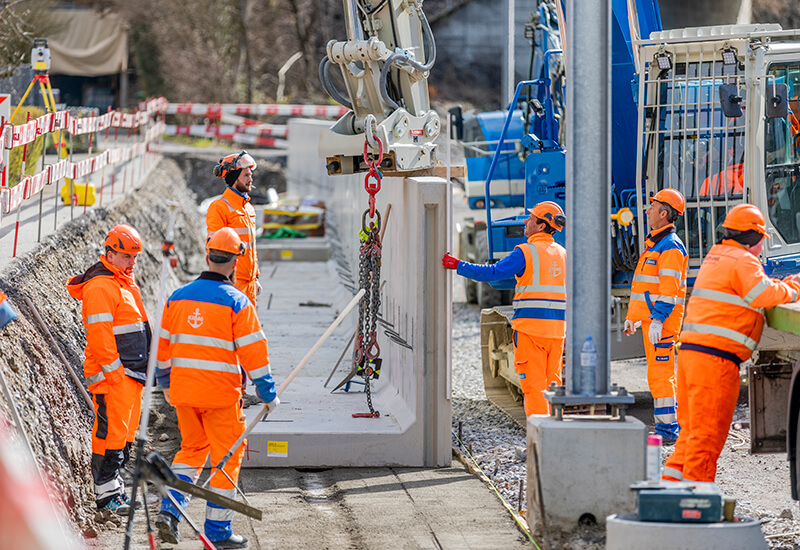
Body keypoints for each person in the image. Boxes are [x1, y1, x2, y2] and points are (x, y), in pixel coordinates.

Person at [154, 227, 279, 549]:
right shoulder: (237, 302)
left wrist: (165, 382)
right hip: (220, 396)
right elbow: (254, 352)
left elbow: (162, 347)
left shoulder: (177, 298)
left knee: (191, 451)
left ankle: (169, 510)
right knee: (227, 457)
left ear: (208, 255)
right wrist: (267, 392)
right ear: (236, 262)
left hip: (184, 393)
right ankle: (218, 530)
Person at [663, 204, 800, 482]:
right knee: (706, 438)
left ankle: (670, 495)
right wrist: (794, 286)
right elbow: (763, 294)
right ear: (754, 238)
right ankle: (697, 503)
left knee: (690, 436)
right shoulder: (742, 260)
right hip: (715, 363)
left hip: (692, 357)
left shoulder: (717, 256)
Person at [443, 201, 566, 416]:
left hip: (531, 332)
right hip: (556, 333)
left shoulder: (525, 252)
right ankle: (556, 432)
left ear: (541, 226)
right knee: (553, 388)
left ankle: (539, 435)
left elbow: (493, 273)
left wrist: (458, 265)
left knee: (534, 389)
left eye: (530, 219)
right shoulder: (563, 253)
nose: (525, 222)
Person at [66, 224, 150, 514]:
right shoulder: (101, 286)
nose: (132, 262)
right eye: (127, 256)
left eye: (135, 257)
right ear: (110, 254)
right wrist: (115, 376)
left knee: (124, 436)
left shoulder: (122, 281)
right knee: (110, 437)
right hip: (115, 376)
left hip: (130, 373)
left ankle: (116, 491)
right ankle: (106, 497)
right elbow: (100, 337)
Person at [623, 188, 688, 444]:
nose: (647, 210)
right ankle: (667, 427)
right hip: (653, 321)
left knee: (662, 376)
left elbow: (669, 291)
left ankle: (668, 431)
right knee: (657, 375)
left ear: (664, 213)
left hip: (663, 323)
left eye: (652, 207)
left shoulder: (670, 247)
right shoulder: (656, 244)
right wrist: (634, 317)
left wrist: (659, 319)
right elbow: (645, 288)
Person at [207, 150, 262, 407]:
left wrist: (256, 277)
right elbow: (214, 249)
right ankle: (231, 392)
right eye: (246, 174)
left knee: (246, 341)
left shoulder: (248, 207)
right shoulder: (220, 208)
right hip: (232, 285)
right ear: (233, 176)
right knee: (229, 341)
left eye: (251, 174)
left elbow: (251, 249)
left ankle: (241, 390)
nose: (251, 178)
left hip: (248, 286)